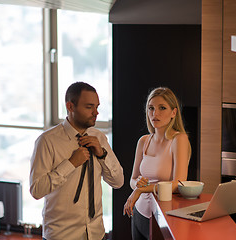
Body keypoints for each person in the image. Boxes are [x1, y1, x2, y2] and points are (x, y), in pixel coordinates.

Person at [30, 82, 124, 240]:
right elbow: (37, 190)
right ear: (70, 106)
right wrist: (70, 164)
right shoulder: (47, 141)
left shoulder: (99, 138)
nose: (96, 113)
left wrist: (102, 154)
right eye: (89, 107)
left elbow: (118, 182)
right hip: (62, 235)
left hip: (96, 233)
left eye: (97, 107)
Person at [123, 87, 191, 240]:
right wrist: (137, 185)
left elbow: (179, 183)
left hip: (162, 215)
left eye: (162, 108)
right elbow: (132, 180)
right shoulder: (143, 141)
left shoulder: (179, 139)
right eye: (151, 108)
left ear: (173, 112)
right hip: (138, 213)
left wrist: (141, 190)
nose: (155, 114)